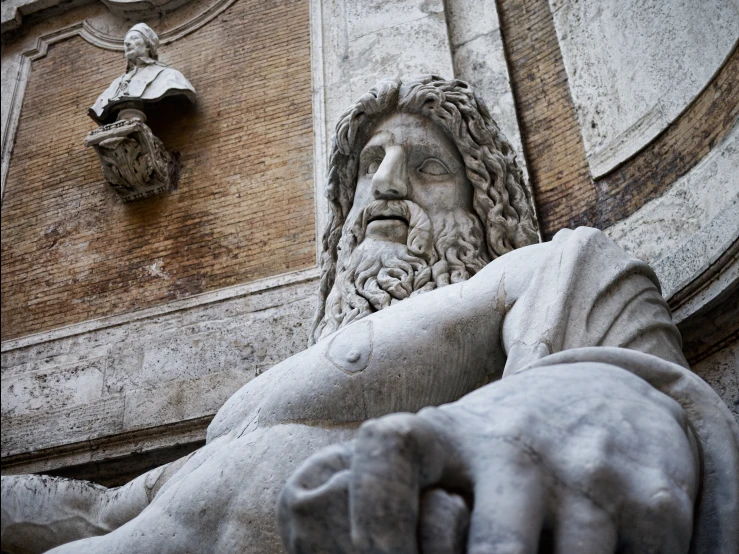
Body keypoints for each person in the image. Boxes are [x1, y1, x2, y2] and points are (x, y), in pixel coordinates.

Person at [2, 77, 737, 554]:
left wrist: (558, 414)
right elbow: (103, 514)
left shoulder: (535, 268)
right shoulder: (253, 401)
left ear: (483, 208)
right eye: (368, 166)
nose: (382, 185)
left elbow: (624, 387)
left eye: (426, 166)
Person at [88, 23, 196, 125]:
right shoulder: (116, 84)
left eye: (134, 38)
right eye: (125, 41)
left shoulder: (169, 76)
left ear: (148, 45)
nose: (127, 43)